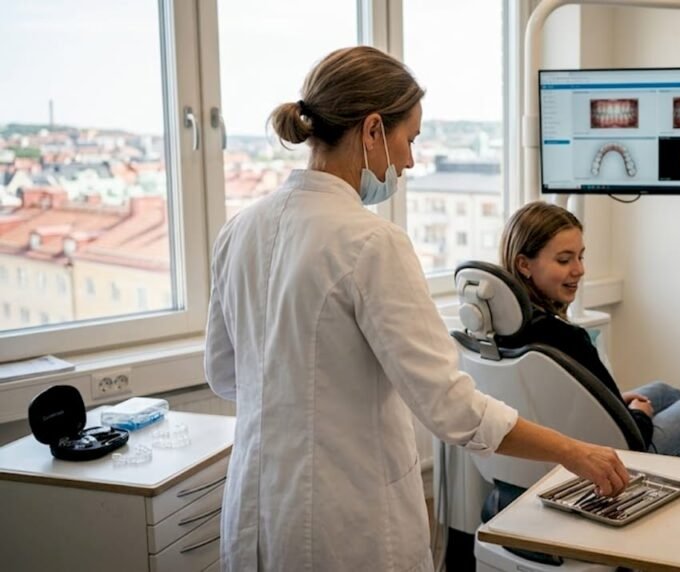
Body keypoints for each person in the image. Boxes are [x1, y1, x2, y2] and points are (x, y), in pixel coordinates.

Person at [204, 46, 629, 572]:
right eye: (410, 140)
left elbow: (224, 376)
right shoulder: (369, 242)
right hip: (344, 519)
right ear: (373, 130)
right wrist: (572, 450)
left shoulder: (238, 230)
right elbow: (450, 408)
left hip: (255, 508)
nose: (408, 161)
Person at [499, 201, 680, 459]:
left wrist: (614, 402)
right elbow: (634, 437)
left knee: (662, 391)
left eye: (580, 256)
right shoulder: (565, 338)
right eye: (564, 260)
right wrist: (640, 414)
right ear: (524, 265)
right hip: (614, 456)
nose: (579, 269)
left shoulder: (503, 331)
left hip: (575, 432)